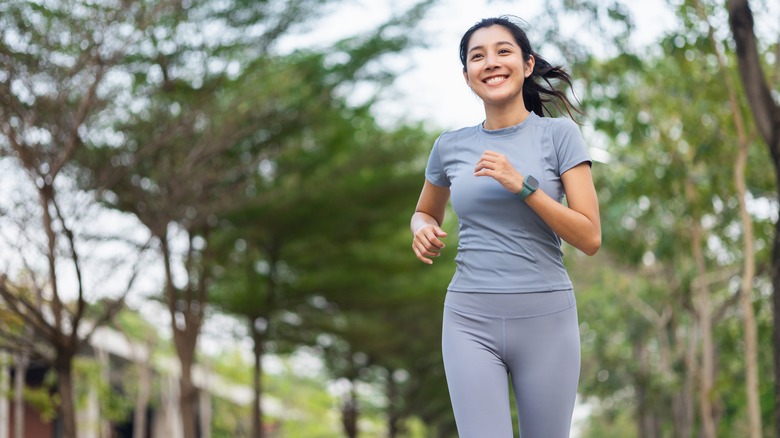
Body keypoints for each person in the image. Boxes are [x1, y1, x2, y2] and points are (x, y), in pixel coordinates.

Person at [410, 15, 601, 438]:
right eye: (478, 56)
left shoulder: (559, 135)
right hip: (468, 317)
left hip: (546, 318)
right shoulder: (449, 146)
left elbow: (589, 237)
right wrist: (419, 227)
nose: (491, 62)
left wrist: (524, 186)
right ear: (467, 76)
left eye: (503, 51)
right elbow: (425, 211)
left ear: (527, 64)